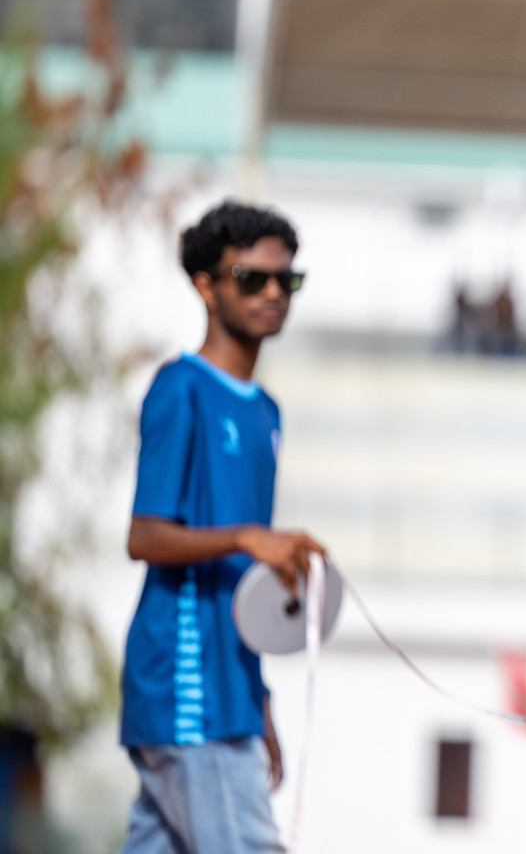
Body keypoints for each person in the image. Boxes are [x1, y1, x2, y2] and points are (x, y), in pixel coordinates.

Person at [119, 201, 325, 854]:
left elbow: (245, 590)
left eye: (285, 281)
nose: (272, 293)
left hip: (228, 692)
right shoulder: (179, 389)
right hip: (185, 689)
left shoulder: (266, 413)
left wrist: (257, 701)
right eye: (252, 278)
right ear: (206, 285)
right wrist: (245, 537)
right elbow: (144, 537)